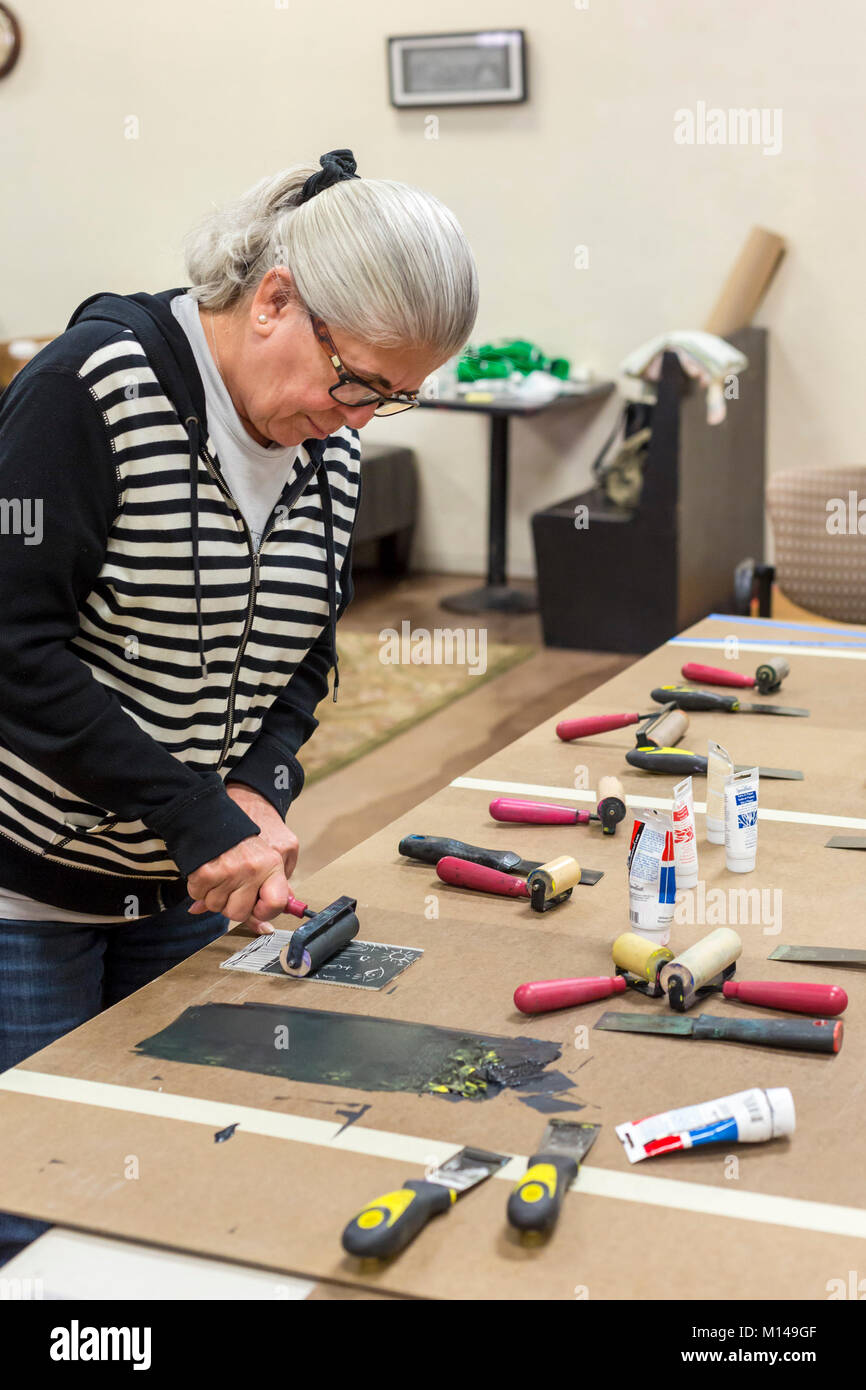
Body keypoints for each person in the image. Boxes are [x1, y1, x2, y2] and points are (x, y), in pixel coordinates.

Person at [0, 149, 478, 1260]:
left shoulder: (328, 458)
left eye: (393, 398)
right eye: (358, 382)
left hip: (177, 882)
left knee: (161, 1172)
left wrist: (256, 792)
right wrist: (193, 812)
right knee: (36, 1203)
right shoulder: (90, 390)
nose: (361, 419)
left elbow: (301, 658)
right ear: (275, 302)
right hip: (24, 885)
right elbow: (13, 649)